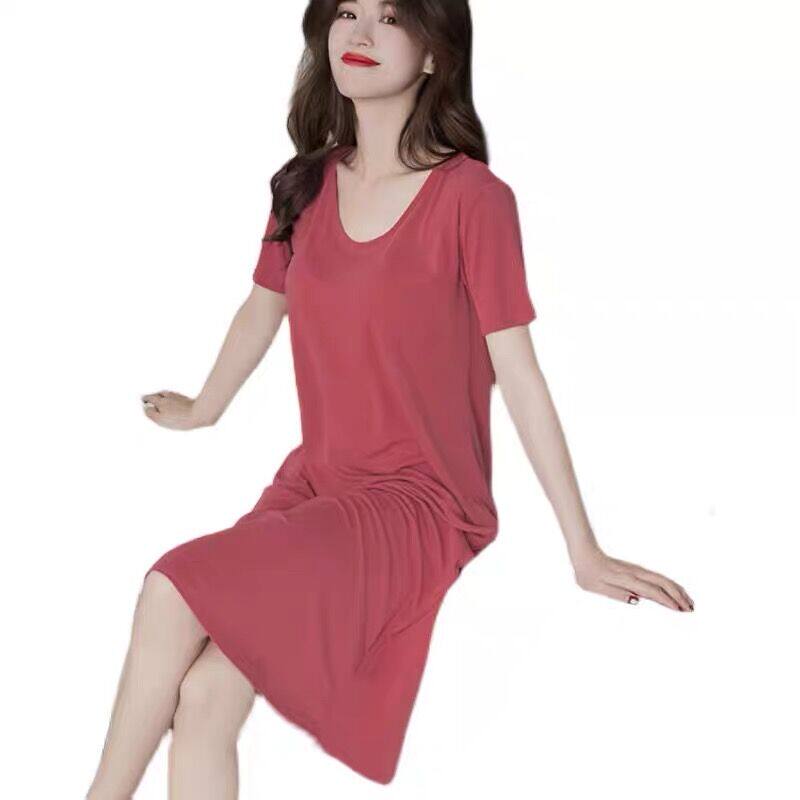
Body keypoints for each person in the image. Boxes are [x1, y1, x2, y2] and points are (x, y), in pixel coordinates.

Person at [86, 0, 695, 796]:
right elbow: (261, 309)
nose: (361, 33)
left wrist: (583, 548)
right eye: (347, 12)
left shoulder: (473, 198)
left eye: (391, 18)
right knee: (205, 695)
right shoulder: (304, 187)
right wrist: (205, 408)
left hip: (419, 499)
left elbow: (520, 375)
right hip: (317, 481)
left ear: (435, 53)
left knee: (171, 588)